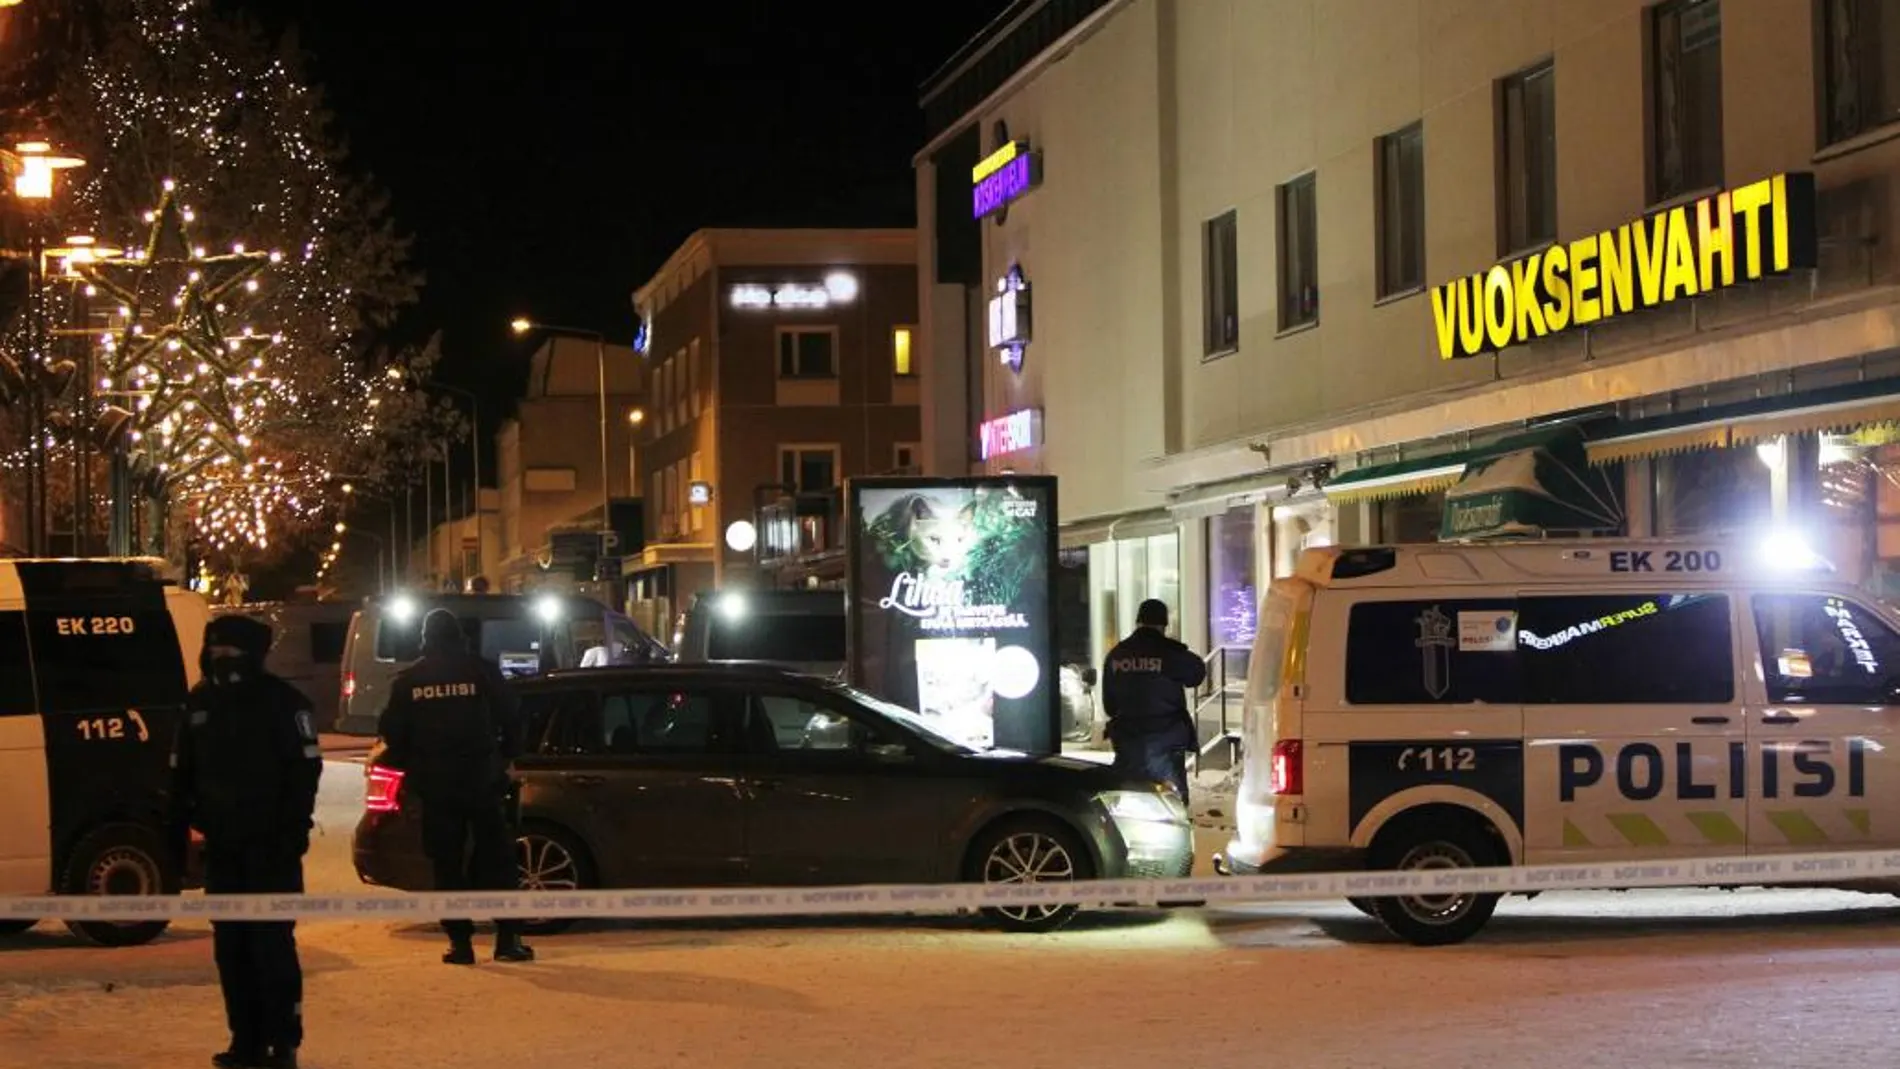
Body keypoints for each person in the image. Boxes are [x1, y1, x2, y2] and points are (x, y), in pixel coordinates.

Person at [171, 615, 323, 1069]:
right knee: (232, 948)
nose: (220, 659)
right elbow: (180, 774)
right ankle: (246, 1040)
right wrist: (177, 830)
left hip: (271, 848)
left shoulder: (283, 703)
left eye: (229, 650)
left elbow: (304, 772)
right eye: (214, 650)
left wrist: (293, 831)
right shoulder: (199, 704)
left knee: (271, 945)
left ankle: (283, 1042)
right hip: (224, 848)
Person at [377, 608, 532, 965]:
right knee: (497, 862)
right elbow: (513, 717)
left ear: (425, 638)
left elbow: (392, 734)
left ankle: (460, 944)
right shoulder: (482, 671)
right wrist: (504, 757)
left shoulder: (409, 681)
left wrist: (415, 768)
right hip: (483, 782)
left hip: (436, 788)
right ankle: (508, 939)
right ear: (460, 636)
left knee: (446, 866)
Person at [1100, 599, 1207, 804]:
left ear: (1138, 622)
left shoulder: (1116, 655)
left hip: (1128, 741)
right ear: (1164, 624)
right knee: (1172, 803)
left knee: (1124, 799)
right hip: (1166, 740)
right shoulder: (1170, 653)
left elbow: (1110, 706)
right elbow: (1196, 674)